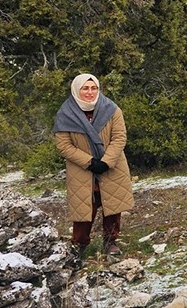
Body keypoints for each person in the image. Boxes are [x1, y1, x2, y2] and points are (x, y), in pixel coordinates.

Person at [53, 73, 134, 257]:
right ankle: (79, 245)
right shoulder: (65, 113)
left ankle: (110, 241)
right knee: (84, 209)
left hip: (111, 166)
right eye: (85, 88)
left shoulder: (112, 109)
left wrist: (106, 162)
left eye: (93, 88)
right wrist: (89, 162)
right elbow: (63, 145)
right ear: (76, 90)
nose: (90, 92)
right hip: (82, 169)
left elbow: (119, 137)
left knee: (112, 206)